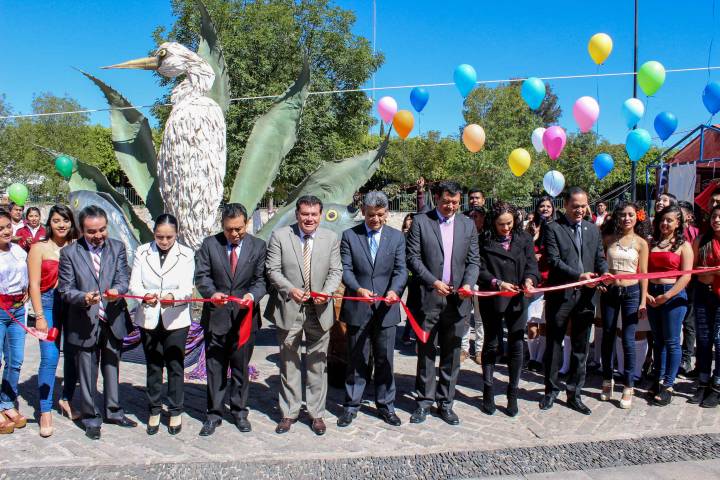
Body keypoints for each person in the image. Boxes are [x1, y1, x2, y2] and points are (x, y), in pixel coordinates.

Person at [58, 205, 136, 440]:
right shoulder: (70, 253)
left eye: (102, 229)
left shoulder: (117, 247)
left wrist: (118, 290)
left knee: (112, 366)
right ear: (82, 230)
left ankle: (113, 411)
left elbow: (124, 277)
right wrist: (83, 298)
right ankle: (91, 418)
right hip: (84, 320)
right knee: (87, 371)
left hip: (112, 317)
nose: (99, 235)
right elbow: (65, 289)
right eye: (92, 231)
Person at [265, 195, 342, 435]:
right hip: (290, 307)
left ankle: (316, 413)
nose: (309, 219)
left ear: (320, 215)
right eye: (305, 214)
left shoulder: (330, 238)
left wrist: (327, 293)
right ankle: (289, 412)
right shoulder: (280, 236)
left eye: (314, 214)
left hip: (319, 310)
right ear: (297, 215)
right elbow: (272, 270)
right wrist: (290, 290)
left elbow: (335, 270)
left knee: (318, 362)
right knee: (289, 362)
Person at [405, 181, 480, 425]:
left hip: (459, 301)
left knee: (452, 352)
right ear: (436, 198)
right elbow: (413, 258)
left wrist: (468, 283)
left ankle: (445, 402)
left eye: (455, 202)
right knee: (426, 352)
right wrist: (433, 281)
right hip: (429, 298)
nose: (450, 206)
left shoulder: (468, 225)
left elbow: (473, 261)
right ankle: (424, 402)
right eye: (446, 201)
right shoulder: (421, 222)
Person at [195, 204, 267, 436]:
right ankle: (213, 414)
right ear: (222, 227)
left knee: (240, 368)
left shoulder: (258, 246)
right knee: (215, 368)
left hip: (245, 319)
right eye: (229, 230)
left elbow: (261, 280)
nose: (234, 234)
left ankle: (239, 412)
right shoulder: (210, 244)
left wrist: (253, 296)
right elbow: (202, 275)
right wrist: (210, 293)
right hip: (217, 317)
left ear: (246, 223)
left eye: (239, 228)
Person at [337, 191, 407, 427]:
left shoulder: (396, 238)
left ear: (386, 213)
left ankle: (386, 405)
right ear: (363, 213)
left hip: (386, 310)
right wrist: (357, 289)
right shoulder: (349, 236)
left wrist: (395, 291)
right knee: (357, 359)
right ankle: (351, 405)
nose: (375, 219)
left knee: (385, 359)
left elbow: (401, 270)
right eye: (370, 215)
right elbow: (345, 269)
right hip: (359, 307)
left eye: (379, 215)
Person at [540, 187, 608, 415]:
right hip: (561, 296)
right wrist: (578, 276)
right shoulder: (552, 229)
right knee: (554, 344)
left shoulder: (592, 230)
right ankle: (550, 390)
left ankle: (574, 393)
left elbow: (599, 257)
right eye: (575, 206)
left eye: (583, 206)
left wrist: (604, 273)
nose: (579, 210)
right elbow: (553, 260)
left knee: (581, 346)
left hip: (586, 297)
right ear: (565, 205)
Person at [129, 214, 195, 436]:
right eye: (159, 237)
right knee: (153, 365)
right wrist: (145, 295)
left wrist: (171, 296)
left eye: (169, 237)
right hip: (149, 316)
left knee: (175, 365)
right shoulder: (142, 252)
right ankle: (154, 408)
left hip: (175, 317)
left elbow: (187, 287)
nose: (164, 241)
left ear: (176, 234)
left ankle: (176, 409)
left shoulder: (186, 254)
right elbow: (134, 285)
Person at [476, 201, 539, 417]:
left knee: (516, 343)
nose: (506, 228)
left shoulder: (524, 239)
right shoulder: (483, 241)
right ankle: (488, 389)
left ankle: (513, 392)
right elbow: (478, 269)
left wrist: (530, 280)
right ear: (493, 223)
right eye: (501, 225)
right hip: (493, 299)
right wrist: (497, 282)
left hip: (517, 300)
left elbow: (532, 266)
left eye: (509, 224)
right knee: (492, 344)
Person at [27, 205, 78, 437]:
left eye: (65, 220)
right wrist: (38, 316)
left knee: (73, 354)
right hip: (47, 305)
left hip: (72, 306)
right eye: (57, 220)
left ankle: (66, 398)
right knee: (49, 356)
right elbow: (34, 285)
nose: (61, 224)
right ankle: (45, 410)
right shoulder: (39, 248)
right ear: (50, 223)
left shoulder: (76, 246)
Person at [598, 202, 649, 409]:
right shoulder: (608, 239)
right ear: (617, 217)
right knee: (607, 336)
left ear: (637, 217)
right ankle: (607, 379)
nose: (626, 218)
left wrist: (643, 300)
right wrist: (601, 282)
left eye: (630, 215)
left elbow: (644, 273)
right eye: (622, 215)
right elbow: (600, 266)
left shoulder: (641, 243)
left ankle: (628, 385)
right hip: (610, 292)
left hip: (631, 292)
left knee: (628, 339)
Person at [646, 205, 693, 406]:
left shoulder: (684, 246)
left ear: (678, 223)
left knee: (672, 341)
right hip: (652, 296)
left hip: (673, 296)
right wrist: (646, 294)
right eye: (663, 220)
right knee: (658, 341)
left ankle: (668, 384)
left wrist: (668, 295)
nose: (665, 224)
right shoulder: (651, 243)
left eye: (670, 220)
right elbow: (644, 271)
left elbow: (686, 275)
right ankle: (658, 379)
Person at [0, 209, 29, 434]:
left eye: (8, 226)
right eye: (1, 228)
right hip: (1, 310)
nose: (6, 231)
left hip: (18, 311)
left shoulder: (19, 251)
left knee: (16, 360)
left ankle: (7, 402)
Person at [690, 205, 720, 407]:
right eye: (714, 217)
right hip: (702, 294)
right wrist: (705, 271)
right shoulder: (701, 241)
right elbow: (692, 270)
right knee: (703, 339)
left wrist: (713, 272)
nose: (716, 220)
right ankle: (703, 382)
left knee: (719, 340)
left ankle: (717, 385)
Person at [526, 196, 555, 372]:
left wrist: (542, 257)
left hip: (550, 281)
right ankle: (532, 355)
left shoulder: (557, 227)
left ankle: (538, 359)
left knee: (544, 322)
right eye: (542, 206)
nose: (545, 209)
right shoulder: (530, 228)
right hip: (532, 281)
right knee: (531, 321)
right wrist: (534, 236)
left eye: (548, 206)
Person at [460, 206, 486, 364]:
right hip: (465, 282)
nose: (473, 219)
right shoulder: (463, 234)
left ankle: (479, 349)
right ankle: (463, 348)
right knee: (464, 316)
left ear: (483, 218)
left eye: (477, 216)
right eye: (471, 216)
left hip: (482, 283)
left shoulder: (487, 236)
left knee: (480, 318)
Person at [678, 200, 699, 378]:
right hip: (672, 282)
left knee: (689, 323)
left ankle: (686, 358)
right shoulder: (671, 233)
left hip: (691, 285)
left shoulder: (696, 235)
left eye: (681, 213)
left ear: (689, 217)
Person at [401, 213, 419, 345]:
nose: (411, 221)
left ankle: (407, 333)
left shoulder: (418, 236)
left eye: (413, 219)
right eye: (409, 219)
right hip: (401, 273)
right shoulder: (400, 236)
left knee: (412, 305)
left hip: (414, 275)